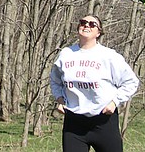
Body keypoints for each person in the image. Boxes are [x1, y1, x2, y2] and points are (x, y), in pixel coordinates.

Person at [50, 15, 139, 152]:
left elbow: (131, 82)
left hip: (103, 121)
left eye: (92, 24)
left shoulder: (108, 56)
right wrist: (60, 99)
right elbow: (55, 81)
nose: (86, 26)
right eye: (83, 22)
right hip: (74, 123)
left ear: (98, 33)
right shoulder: (66, 54)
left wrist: (114, 102)